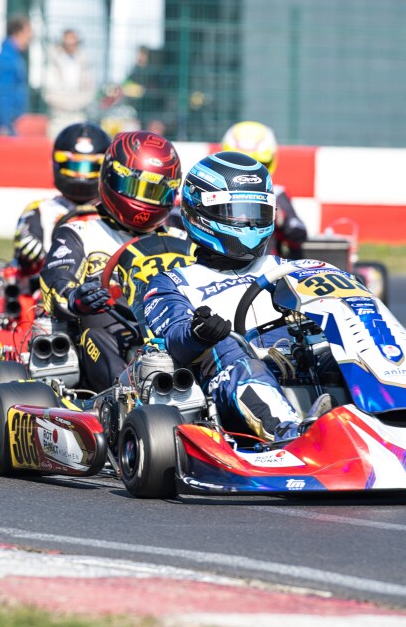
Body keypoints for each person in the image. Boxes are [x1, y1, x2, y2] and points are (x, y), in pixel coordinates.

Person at [141, 151, 332, 442]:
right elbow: (175, 338)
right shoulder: (173, 283)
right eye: (238, 212)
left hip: (300, 362)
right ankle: (289, 434)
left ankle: (393, 415)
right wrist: (198, 333)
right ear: (201, 212)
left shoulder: (287, 269)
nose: (249, 222)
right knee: (227, 347)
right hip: (227, 385)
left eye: (257, 212)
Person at [40, 130, 183, 392]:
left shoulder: (180, 239)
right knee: (96, 329)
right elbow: (56, 279)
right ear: (110, 177)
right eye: (135, 188)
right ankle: (131, 395)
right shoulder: (80, 232)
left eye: (154, 192)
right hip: (112, 332)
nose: (144, 200)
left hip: (176, 331)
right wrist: (76, 298)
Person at [12, 122, 110, 277]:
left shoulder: (113, 212)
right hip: (50, 281)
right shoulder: (40, 209)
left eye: (89, 168)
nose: (81, 175)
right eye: (74, 166)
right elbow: (25, 253)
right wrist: (30, 249)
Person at [220, 121, 307, 258]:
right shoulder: (214, 191)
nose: (249, 173)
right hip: (219, 260)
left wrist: (279, 216)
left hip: (264, 265)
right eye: (241, 165)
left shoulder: (276, 193)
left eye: (259, 164)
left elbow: (299, 233)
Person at [43, 29, 97, 139]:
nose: (71, 46)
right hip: (58, 116)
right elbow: (49, 92)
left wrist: (77, 104)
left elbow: (90, 89)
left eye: (74, 43)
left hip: (79, 114)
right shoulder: (53, 60)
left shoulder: (84, 61)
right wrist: (68, 104)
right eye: (67, 44)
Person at [0, 16, 32, 136]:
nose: (30, 39)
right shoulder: (8, 59)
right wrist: (4, 124)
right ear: (18, 33)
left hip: (7, 120)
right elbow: (3, 93)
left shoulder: (12, 56)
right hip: (4, 122)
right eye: (28, 34)